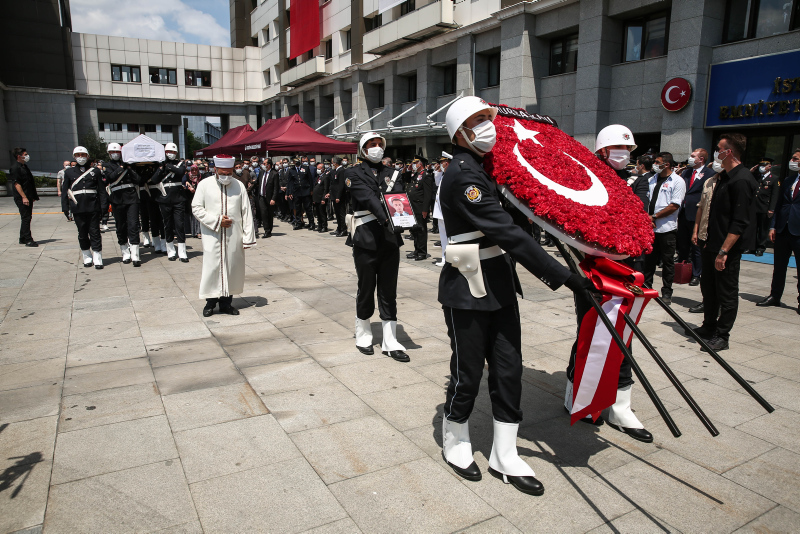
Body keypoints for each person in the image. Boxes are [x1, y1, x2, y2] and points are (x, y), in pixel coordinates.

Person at [438, 96, 593, 495]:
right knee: (469, 371)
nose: (487, 128)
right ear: (460, 133)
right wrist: (564, 277)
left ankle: (505, 453)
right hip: (467, 288)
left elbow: (525, 222)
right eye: (477, 122)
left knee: (509, 368)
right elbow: (507, 233)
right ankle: (456, 436)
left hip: (500, 283)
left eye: (487, 120)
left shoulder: (489, 168)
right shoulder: (463, 175)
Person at [565, 124, 654, 443]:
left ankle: (620, 404)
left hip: (628, 271)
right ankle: (577, 390)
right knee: (589, 330)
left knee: (623, 336)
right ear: (602, 150)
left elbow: (636, 219)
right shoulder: (585, 179)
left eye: (628, 150)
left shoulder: (637, 181)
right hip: (592, 270)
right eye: (618, 148)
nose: (624, 154)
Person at [346, 132, 408, 362]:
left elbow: (398, 198)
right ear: (363, 149)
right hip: (365, 238)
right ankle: (363, 333)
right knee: (366, 286)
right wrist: (387, 218)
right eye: (371, 144)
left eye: (379, 144)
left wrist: (404, 219)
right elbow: (368, 198)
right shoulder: (352, 172)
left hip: (390, 239)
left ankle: (390, 340)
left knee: (388, 289)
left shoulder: (393, 173)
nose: (376, 148)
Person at [693, 133, 757, 351]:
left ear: (728, 152)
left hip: (726, 250)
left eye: (719, 148)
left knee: (726, 294)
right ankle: (709, 326)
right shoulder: (724, 177)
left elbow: (740, 222)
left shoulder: (741, 179)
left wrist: (724, 251)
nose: (716, 152)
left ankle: (722, 335)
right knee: (709, 290)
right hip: (710, 244)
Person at [191, 154, 257, 317]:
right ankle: (210, 303)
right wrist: (217, 221)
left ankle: (227, 304)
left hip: (234, 236)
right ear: (215, 170)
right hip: (212, 235)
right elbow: (196, 208)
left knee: (231, 268)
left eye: (229, 173)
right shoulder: (204, 185)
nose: (226, 176)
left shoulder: (239, 185)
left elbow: (246, 211)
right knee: (212, 268)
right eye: (223, 173)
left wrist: (248, 237)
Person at [757, 148, 800, 313]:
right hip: (783, 229)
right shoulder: (789, 180)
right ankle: (775, 296)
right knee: (779, 266)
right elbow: (779, 205)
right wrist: (773, 226)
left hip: (798, 230)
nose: (792, 161)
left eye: (795, 158)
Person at [643, 152, 686, 305]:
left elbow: (674, 205)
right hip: (651, 227)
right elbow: (648, 201)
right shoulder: (652, 179)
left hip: (667, 228)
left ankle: (666, 292)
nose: (654, 164)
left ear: (666, 164)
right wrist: (648, 218)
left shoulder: (677, 181)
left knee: (667, 262)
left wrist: (654, 217)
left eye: (657, 162)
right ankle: (646, 288)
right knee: (649, 261)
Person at [62, 146, 108, 268]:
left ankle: (97, 256)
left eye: (83, 155)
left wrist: (104, 205)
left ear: (87, 156)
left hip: (93, 206)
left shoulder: (95, 171)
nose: (80, 157)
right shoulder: (69, 172)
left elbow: (102, 191)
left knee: (95, 232)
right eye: (78, 155)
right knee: (82, 233)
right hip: (78, 207)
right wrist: (65, 207)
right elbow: (65, 191)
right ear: (74, 157)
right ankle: (87, 255)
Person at [104, 142, 144, 267]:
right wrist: (122, 168)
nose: (115, 154)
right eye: (112, 152)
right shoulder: (107, 165)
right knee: (120, 226)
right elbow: (110, 177)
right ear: (109, 154)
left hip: (131, 198)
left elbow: (138, 180)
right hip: (117, 199)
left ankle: (135, 254)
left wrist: (129, 168)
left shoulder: (130, 165)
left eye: (117, 152)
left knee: (133, 225)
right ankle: (125, 252)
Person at [688, 164, 721, 314]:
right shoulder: (709, 181)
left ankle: (719, 305)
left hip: (720, 236)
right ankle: (706, 302)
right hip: (704, 234)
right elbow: (700, 207)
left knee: (719, 276)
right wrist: (695, 230)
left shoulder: (735, 181)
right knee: (706, 276)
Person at [679, 149, 715, 285]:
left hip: (696, 214)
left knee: (696, 247)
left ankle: (696, 273)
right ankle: (682, 269)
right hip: (683, 213)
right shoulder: (687, 172)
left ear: (701, 159)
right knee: (683, 245)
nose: (690, 158)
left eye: (693, 156)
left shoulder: (710, 174)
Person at [151, 143, 189, 262]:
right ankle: (171, 250)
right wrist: (162, 168)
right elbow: (154, 180)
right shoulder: (160, 164)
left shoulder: (180, 163)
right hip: (165, 198)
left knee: (179, 225)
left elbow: (180, 171)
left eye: (172, 152)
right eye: (168, 152)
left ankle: (182, 252)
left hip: (178, 198)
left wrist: (168, 166)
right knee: (167, 225)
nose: (170, 154)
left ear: (176, 153)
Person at [10, 148, 39, 247]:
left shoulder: (24, 167)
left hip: (28, 195)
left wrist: (32, 196)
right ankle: (28, 239)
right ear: (19, 156)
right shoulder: (15, 168)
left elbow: (29, 182)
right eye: (25, 154)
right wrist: (24, 197)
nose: (27, 156)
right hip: (22, 197)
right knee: (26, 217)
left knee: (27, 217)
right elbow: (17, 184)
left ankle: (22, 238)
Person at [406, 157, 434, 261]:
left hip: (420, 206)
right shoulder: (416, 174)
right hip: (412, 206)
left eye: (415, 163)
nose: (413, 164)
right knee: (414, 229)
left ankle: (422, 252)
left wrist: (425, 209)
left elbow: (428, 194)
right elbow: (406, 180)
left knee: (421, 230)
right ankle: (416, 250)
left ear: (420, 164)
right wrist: (408, 170)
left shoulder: (426, 176)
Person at [750, 157, 780, 256]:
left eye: (764, 165)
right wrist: (751, 172)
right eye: (760, 165)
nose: (761, 167)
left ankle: (761, 247)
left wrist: (771, 209)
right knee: (753, 227)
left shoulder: (774, 178)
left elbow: (774, 195)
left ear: (769, 166)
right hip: (755, 206)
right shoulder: (756, 176)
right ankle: (751, 247)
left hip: (765, 207)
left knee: (763, 229)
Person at [254, 158, 280, 238]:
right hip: (261, 196)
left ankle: (269, 230)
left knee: (269, 214)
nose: (263, 165)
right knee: (263, 213)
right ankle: (266, 230)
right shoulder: (262, 172)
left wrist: (274, 199)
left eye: (264, 164)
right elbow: (257, 182)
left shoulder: (274, 174)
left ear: (269, 165)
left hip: (270, 197)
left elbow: (276, 188)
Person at [329, 157, 348, 237]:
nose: (332, 164)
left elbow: (341, 185)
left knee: (341, 213)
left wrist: (338, 196)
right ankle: (339, 228)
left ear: (335, 163)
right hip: (334, 195)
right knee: (337, 213)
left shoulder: (341, 171)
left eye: (332, 162)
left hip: (339, 196)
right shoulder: (336, 171)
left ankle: (344, 230)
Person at [311, 161, 330, 233]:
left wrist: (323, 199)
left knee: (322, 213)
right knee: (318, 213)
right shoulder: (318, 176)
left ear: (322, 169)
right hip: (316, 198)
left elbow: (325, 188)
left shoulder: (325, 176)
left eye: (319, 169)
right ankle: (319, 225)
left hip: (321, 198)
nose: (317, 170)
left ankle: (324, 226)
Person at [185, 165, 202, 238]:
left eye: (195, 170)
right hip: (190, 198)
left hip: (199, 198)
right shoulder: (187, 176)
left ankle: (199, 232)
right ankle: (193, 232)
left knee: (199, 214)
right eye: (193, 170)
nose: (194, 172)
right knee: (192, 215)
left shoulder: (201, 177)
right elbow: (183, 182)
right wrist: (187, 186)